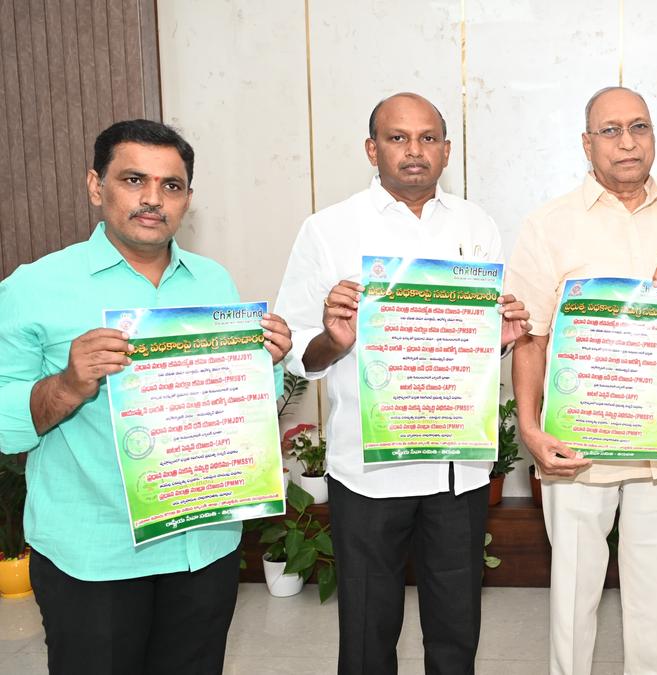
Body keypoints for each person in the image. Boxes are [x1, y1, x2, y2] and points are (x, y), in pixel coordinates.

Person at [0, 119, 293, 675]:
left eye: (171, 185)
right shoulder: (33, 287)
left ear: (187, 199)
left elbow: (239, 409)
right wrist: (66, 385)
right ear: (96, 186)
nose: (153, 198)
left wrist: (268, 364)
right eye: (134, 179)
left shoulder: (213, 283)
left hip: (204, 547)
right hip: (95, 557)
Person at [273, 92, 530, 675]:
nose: (414, 150)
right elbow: (298, 352)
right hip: (367, 470)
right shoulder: (328, 229)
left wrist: (500, 338)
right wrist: (335, 339)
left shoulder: (476, 225)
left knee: (456, 629)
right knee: (367, 632)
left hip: (457, 469)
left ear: (446, 150)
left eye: (427, 138)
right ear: (372, 149)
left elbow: (477, 344)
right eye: (398, 138)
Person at [506, 85, 657, 675]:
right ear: (587, 143)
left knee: (654, 598)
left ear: (653, 135)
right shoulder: (548, 225)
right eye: (611, 130)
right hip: (576, 442)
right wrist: (530, 427)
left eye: (639, 127)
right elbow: (530, 337)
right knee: (574, 592)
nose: (627, 142)